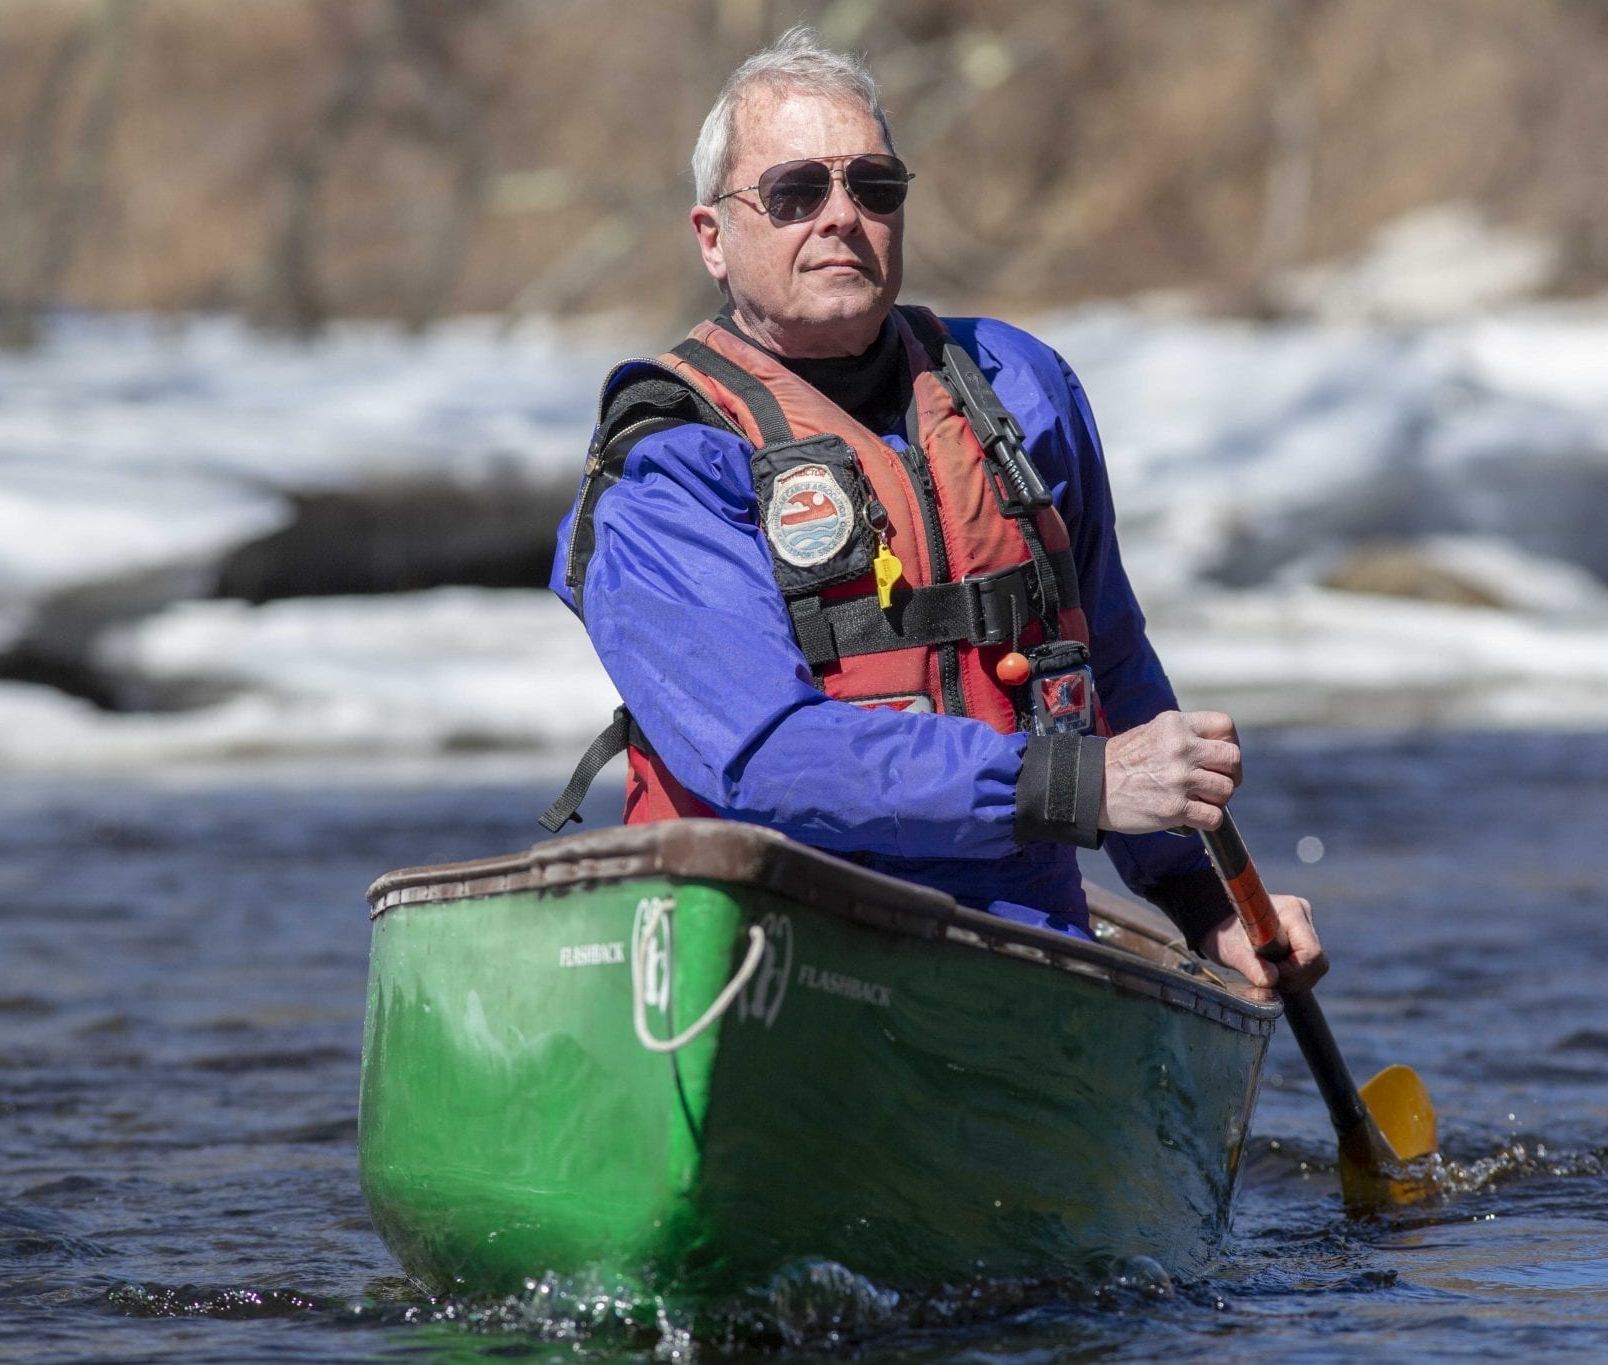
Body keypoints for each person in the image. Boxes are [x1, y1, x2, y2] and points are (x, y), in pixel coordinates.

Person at [548, 27, 1324, 994]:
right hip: (770, 956)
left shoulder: (1019, 387)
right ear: (714, 236)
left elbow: (1109, 664)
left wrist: (1210, 907)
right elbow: (767, 758)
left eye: (872, 187)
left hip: (1015, 943)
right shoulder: (666, 462)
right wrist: (1080, 785)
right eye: (795, 193)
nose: (840, 217)